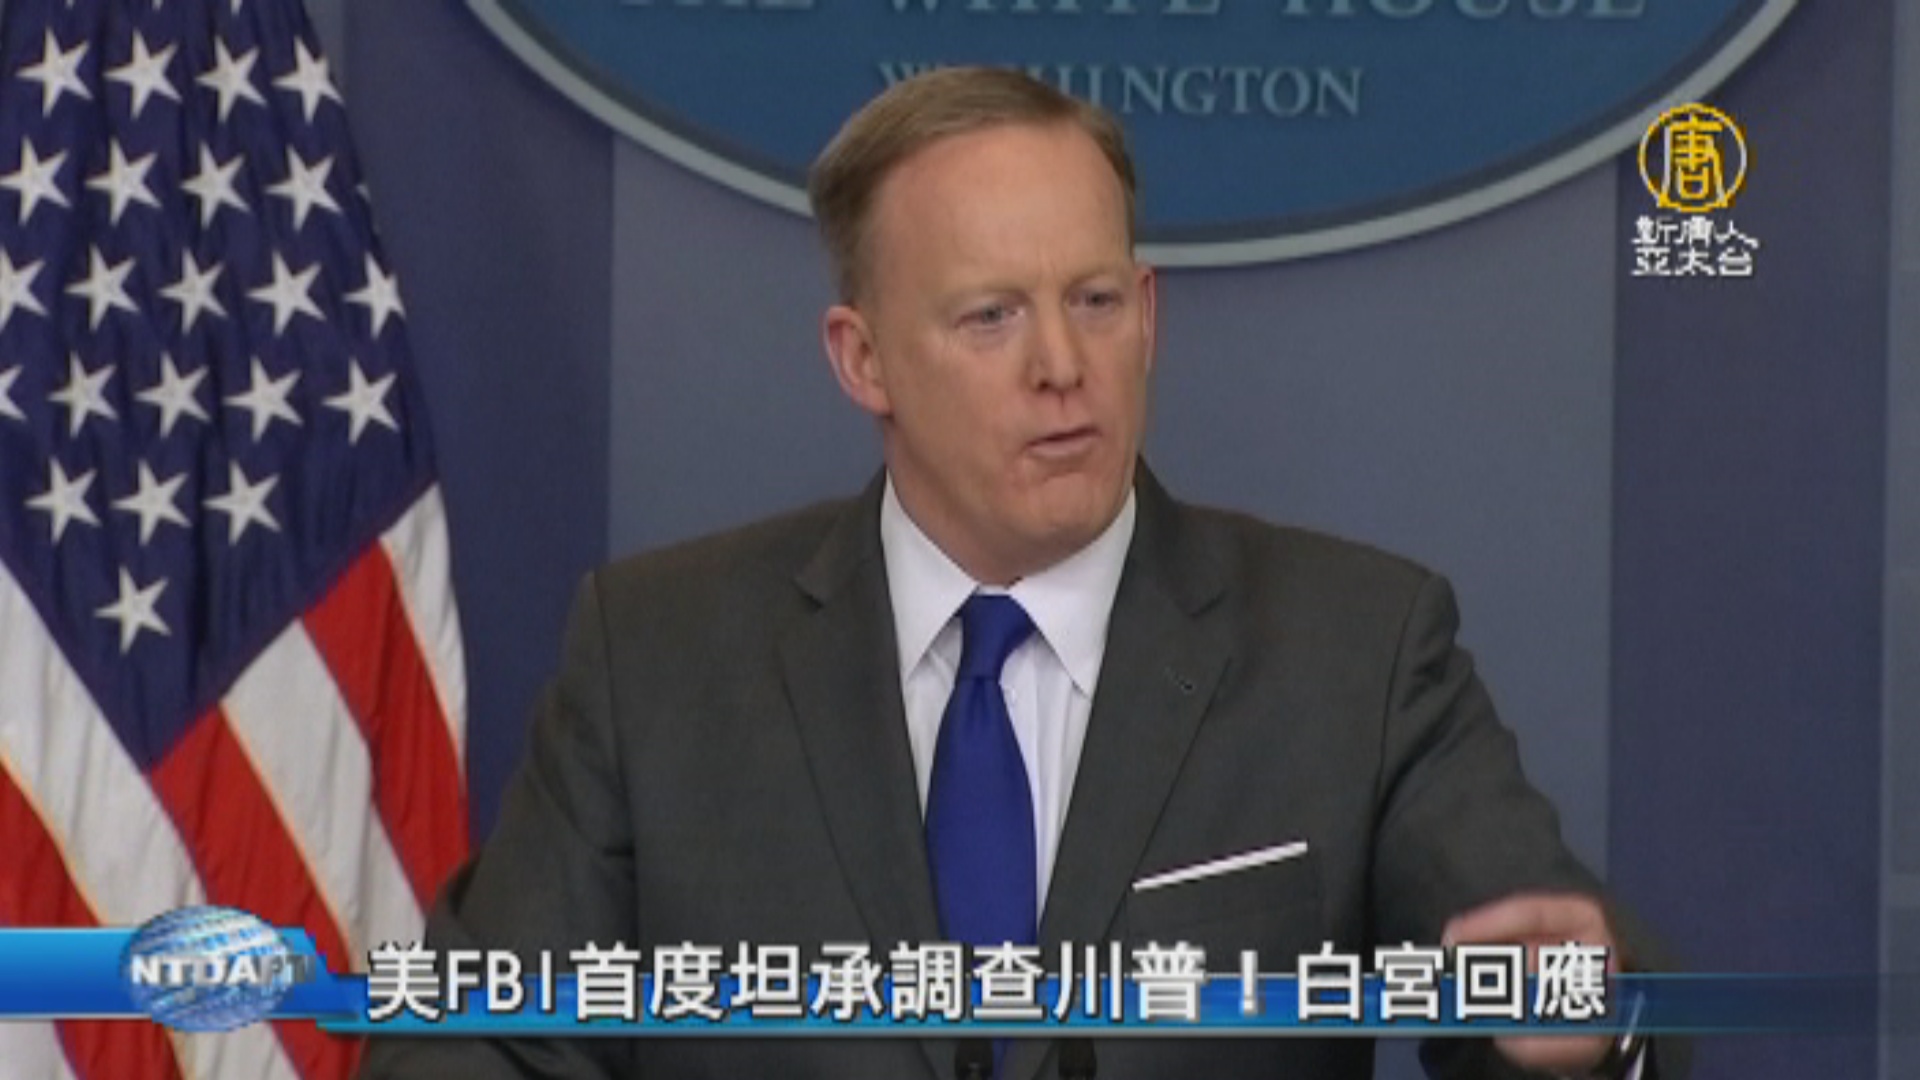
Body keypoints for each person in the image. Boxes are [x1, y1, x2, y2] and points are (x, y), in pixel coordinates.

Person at [361, 67, 1669, 1079]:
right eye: (991, 316)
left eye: (1094, 302)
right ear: (862, 358)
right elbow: (472, 1050)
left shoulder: (1358, 652)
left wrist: (1580, 1032)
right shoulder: (655, 658)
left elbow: (1558, 994)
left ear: (1148, 316)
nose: (1061, 366)